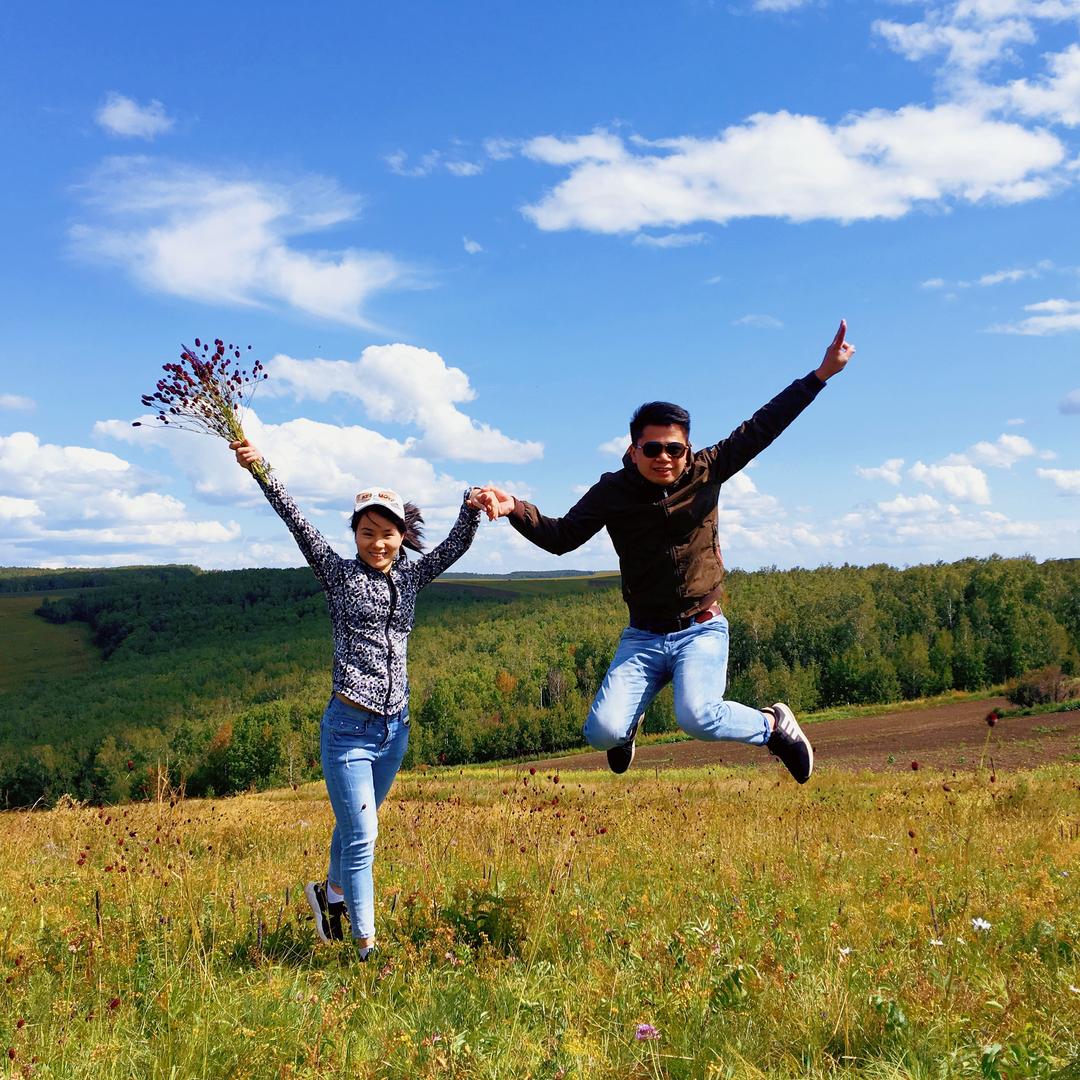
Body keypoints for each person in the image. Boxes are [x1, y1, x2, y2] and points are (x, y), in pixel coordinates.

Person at [478, 321, 856, 782]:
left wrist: (820, 376)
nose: (664, 458)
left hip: (701, 627)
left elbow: (763, 425)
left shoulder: (707, 470)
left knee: (697, 716)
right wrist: (515, 507)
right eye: (652, 448)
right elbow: (562, 538)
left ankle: (774, 727)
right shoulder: (612, 492)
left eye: (674, 449)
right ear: (633, 449)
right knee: (601, 733)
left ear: (687, 448)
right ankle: (627, 726)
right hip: (643, 636)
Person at [231, 438, 494, 957]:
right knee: (364, 835)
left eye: (388, 533)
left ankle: (328, 895)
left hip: (396, 728)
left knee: (356, 826)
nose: (378, 542)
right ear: (354, 533)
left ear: (401, 535)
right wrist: (260, 468)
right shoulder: (336, 573)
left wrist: (470, 506)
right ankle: (366, 947)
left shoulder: (413, 578)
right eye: (368, 532)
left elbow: (453, 547)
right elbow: (294, 519)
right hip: (349, 727)